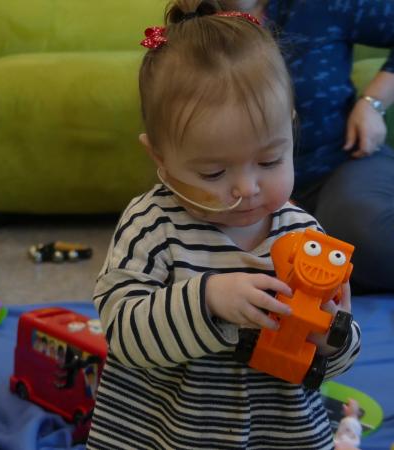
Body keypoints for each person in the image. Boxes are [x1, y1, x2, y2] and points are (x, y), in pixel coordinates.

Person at [87, 1, 361, 449]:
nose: (247, 188)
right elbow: (122, 332)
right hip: (170, 435)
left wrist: (331, 335)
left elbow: (332, 366)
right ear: (159, 157)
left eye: (270, 161)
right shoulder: (152, 226)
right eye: (213, 173)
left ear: (291, 132)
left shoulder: (306, 236)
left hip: (281, 435)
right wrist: (208, 299)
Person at [219, 0, 394, 292]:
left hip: (343, 162)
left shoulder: (321, 5)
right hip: (247, 190)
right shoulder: (192, 29)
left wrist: (373, 103)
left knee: (362, 232)